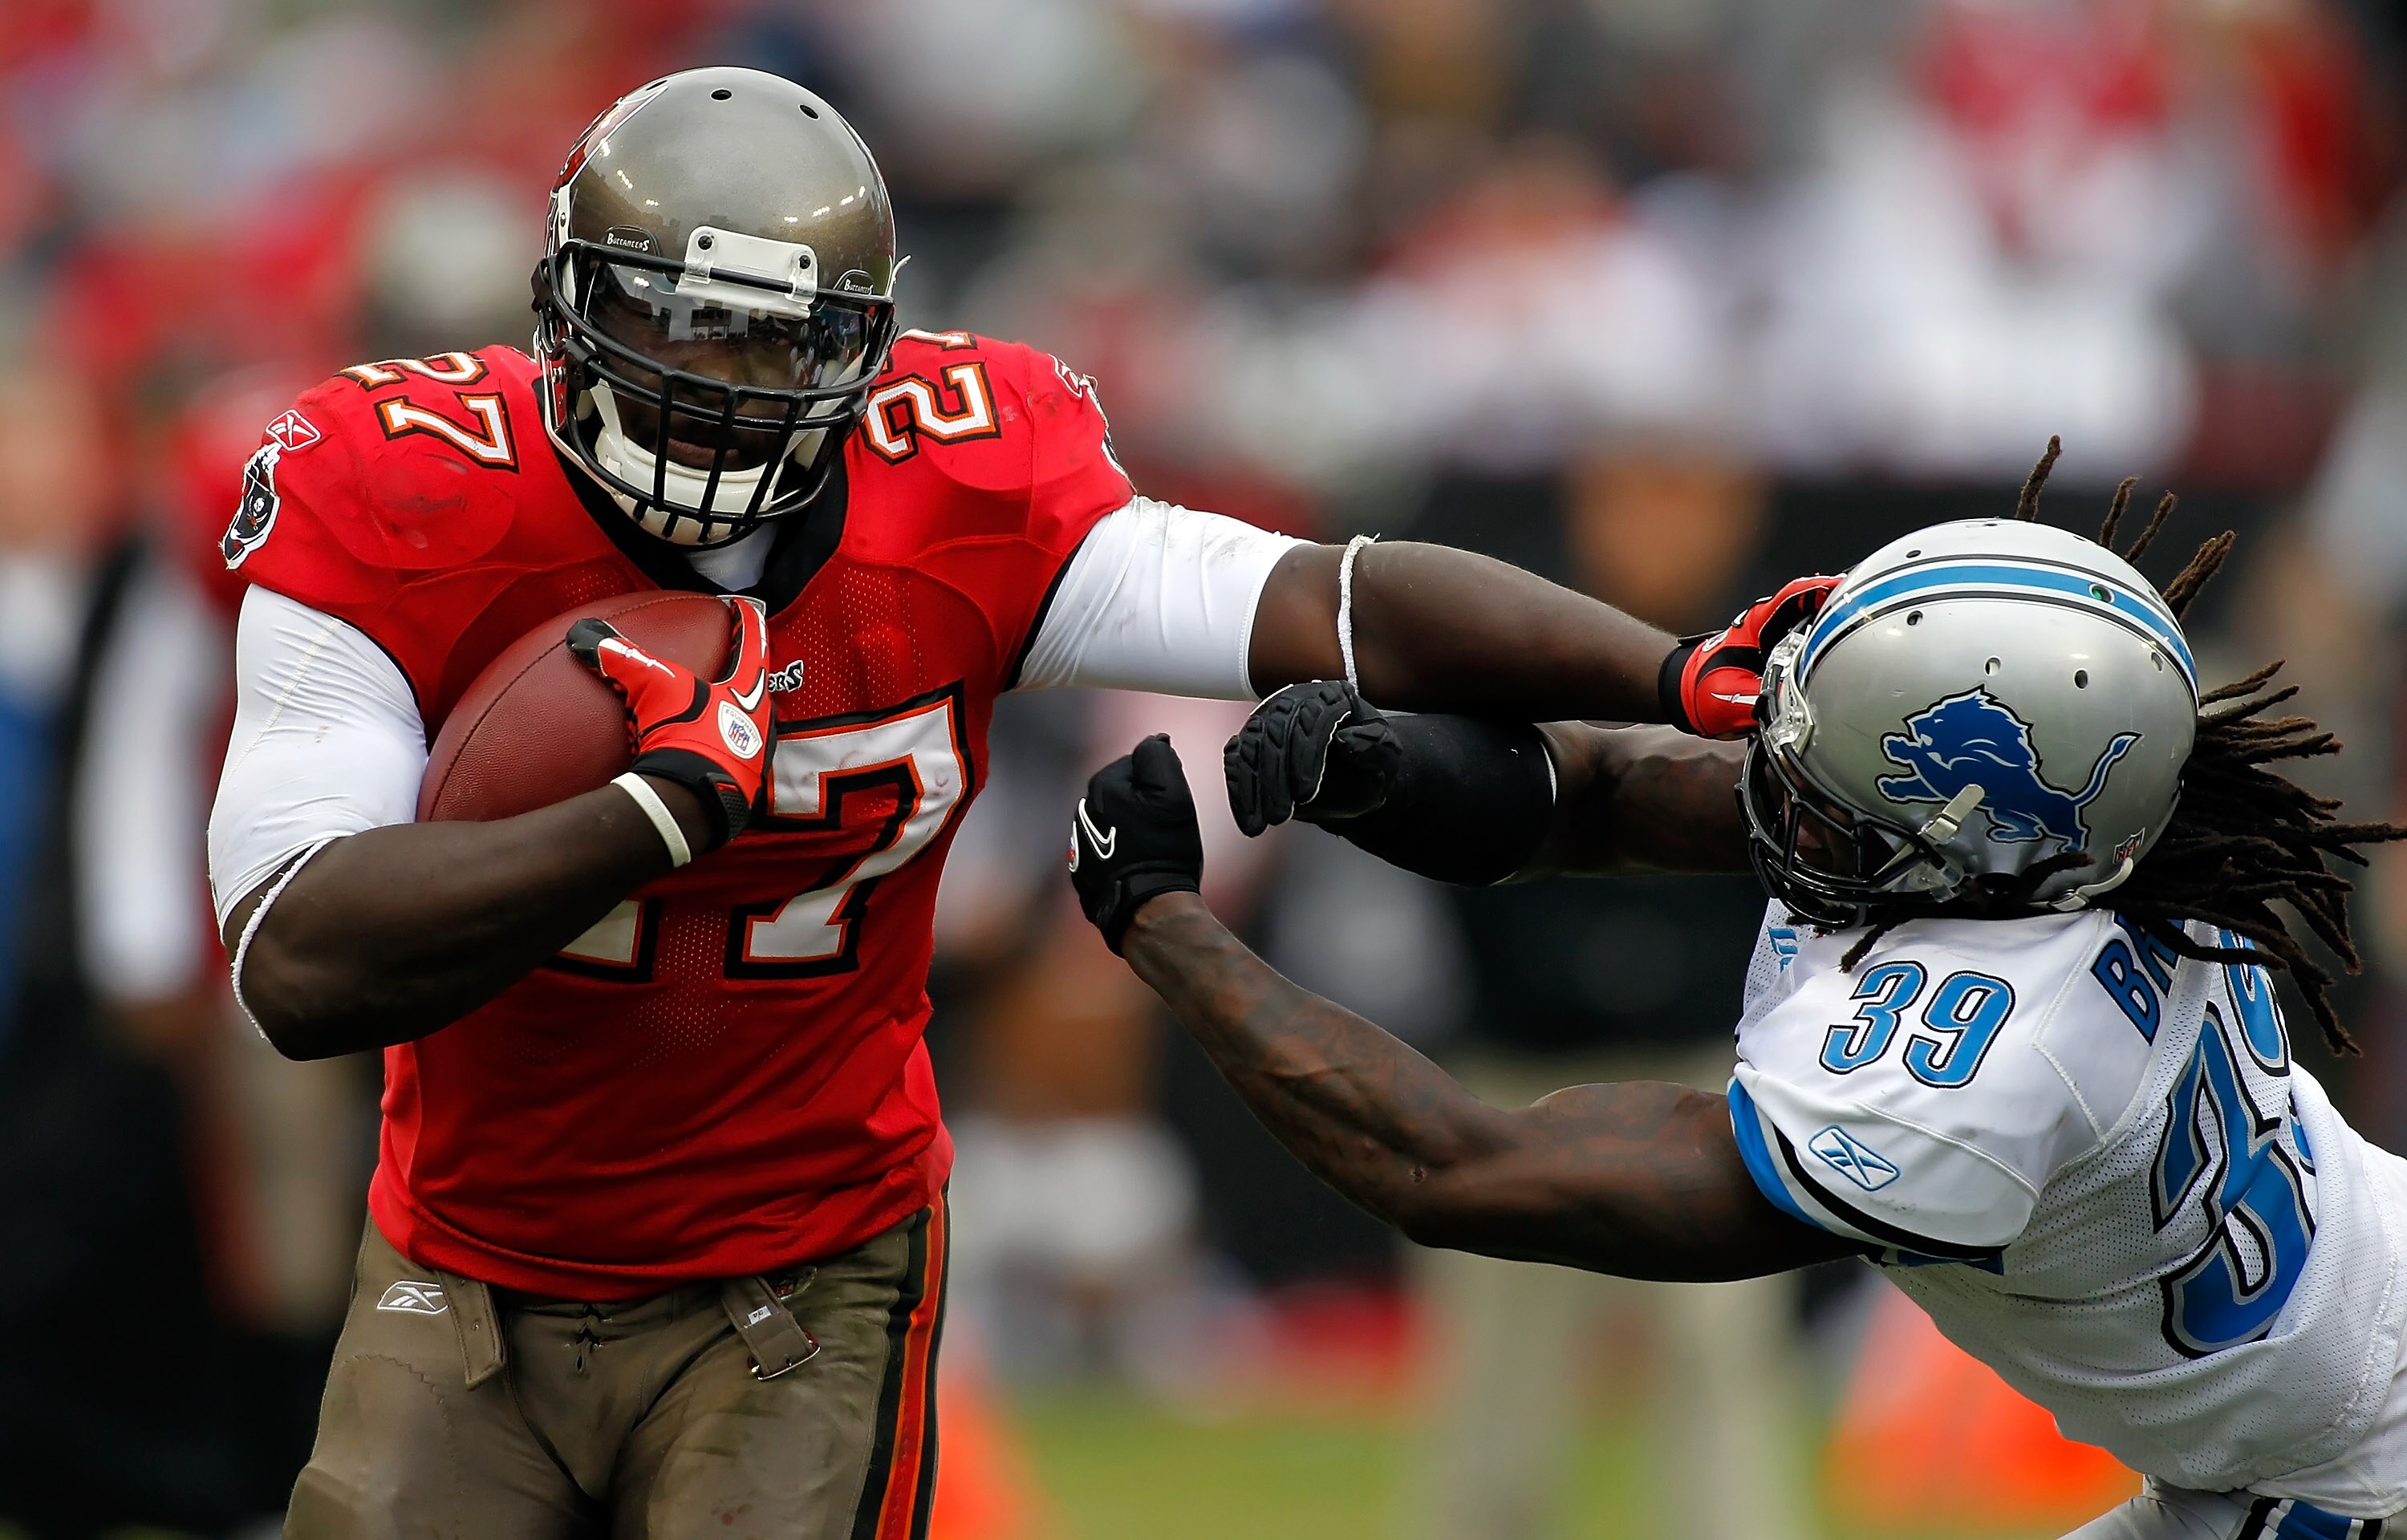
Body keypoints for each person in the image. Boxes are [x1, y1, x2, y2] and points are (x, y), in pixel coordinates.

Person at [204, 67, 1811, 1538]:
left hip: (804, 1267)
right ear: (565, 303)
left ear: (866, 351)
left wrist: (1672, 673)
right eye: (675, 324)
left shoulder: (960, 488)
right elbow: (291, 961)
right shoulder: (399, 488)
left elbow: (1333, 604)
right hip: (468, 1256)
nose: (715, 387)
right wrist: (645, 819)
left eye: (774, 340)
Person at [1070, 455, 2407, 1539]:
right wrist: (1384, 773)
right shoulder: (2068, 843)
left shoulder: (1981, 1065)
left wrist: (1167, 928)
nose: (1776, 791)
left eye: (1838, 773)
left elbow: (1455, 1165)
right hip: (2309, 1410)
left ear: (1974, 829)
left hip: (2360, 1475)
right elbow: (1600, 794)